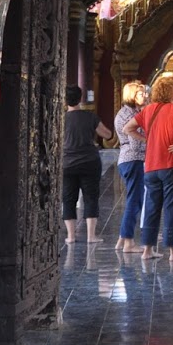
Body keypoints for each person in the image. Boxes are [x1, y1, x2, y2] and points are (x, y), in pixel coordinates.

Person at [131, 72, 173, 260]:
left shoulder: (148, 110)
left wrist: (146, 139)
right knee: (172, 207)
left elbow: (128, 128)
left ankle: (147, 250)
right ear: (169, 91)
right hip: (172, 164)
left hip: (151, 166)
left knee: (152, 207)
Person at [62, 84, 111, 244]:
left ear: (64, 100)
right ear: (80, 98)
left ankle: (71, 236)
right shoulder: (90, 117)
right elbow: (107, 134)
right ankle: (91, 236)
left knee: (68, 198)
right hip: (89, 162)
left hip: (67, 163)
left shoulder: (61, 118)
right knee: (91, 197)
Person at [113, 80, 147, 252]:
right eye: (141, 94)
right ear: (132, 96)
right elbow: (135, 143)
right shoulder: (130, 115)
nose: (145, 96)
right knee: (134, 200)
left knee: (135, 199)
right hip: (133, 159)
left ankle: (122, 237)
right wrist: (152, 143)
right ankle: (128, 242)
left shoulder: (128, 112)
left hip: (129, 160)